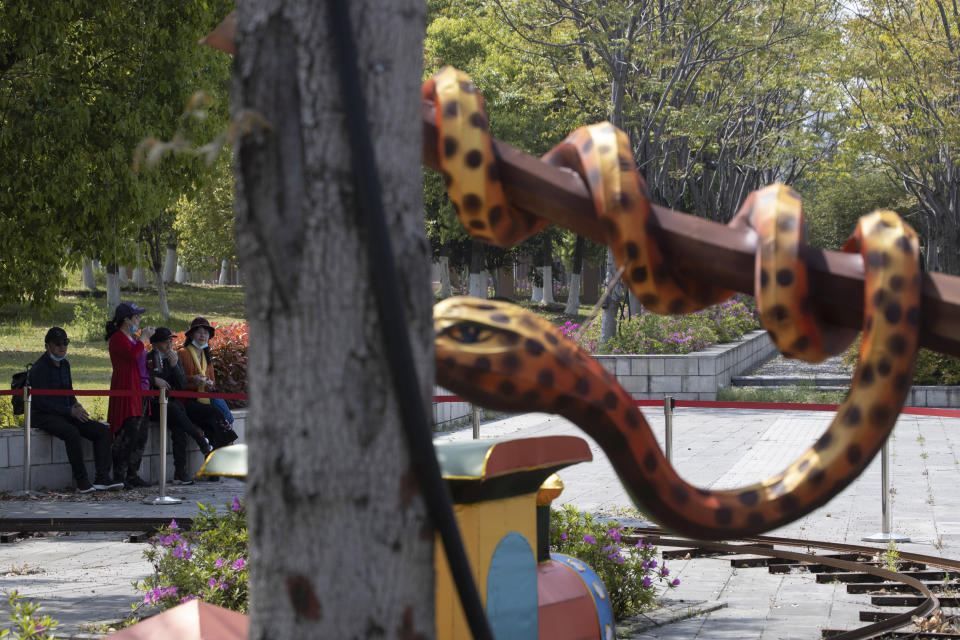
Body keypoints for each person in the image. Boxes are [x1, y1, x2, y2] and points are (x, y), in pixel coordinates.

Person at [28, 328, 124, 493]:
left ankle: (102, 478)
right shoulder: (39, 368)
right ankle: (82, 482)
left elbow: (69, 391)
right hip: (43, 415)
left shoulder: (65, 364)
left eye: (65, 343)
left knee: (102, 431)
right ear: (47, 346)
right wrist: (68, 411)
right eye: (57, 344)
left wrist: (76, 404)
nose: (62, 347)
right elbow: (41, 401)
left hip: (65, 412)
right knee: (71, 432)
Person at [147, 327, 214, 485]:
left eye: (171, 341)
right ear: (155, 345)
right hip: (154, 404)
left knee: (179, 426)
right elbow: (142, 377)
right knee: (174, 410)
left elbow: (182, 384)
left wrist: (175, 366)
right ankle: (201, 440)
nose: (169, 345)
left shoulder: (174, 357)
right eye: (165, 342)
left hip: (172, 403)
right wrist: (154, 380)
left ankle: (180, 472)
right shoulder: (148, 358)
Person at [105, 302, 154, 488]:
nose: (138, 320)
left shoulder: (133, 338)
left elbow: (139, 358)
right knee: (127, 431)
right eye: (136, 317)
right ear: (126, 320)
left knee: (140, 434)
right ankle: (120, 475)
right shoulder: (118, 338)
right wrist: (143, 339)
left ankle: (133, 473)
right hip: (127, 388)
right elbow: (132, 355)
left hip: (141, 389)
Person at [178, 317, 237, 451]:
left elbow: (213, 383)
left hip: (205, 397)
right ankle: (225, 447)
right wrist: (194, 379)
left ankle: (224, 450)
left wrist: (209, 384)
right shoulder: (183, 353)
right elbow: (178, 381)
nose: (203, 335)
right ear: (191, 334)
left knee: (224, 415)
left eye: (206, 332)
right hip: (188, 399)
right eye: (199, 332)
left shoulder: (207, 356)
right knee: (214, 412)